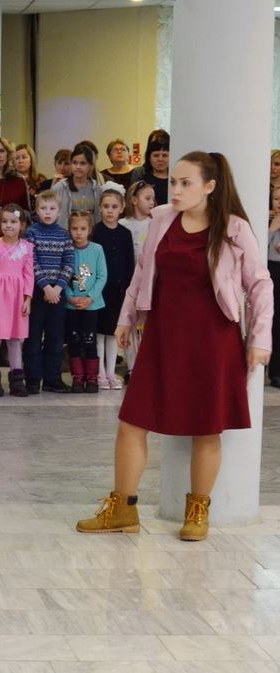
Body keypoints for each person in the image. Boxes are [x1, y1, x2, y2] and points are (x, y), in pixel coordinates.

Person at [77, 151, 273, 541]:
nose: (177, 190)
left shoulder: (233, 228)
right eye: (175, 182)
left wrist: (261, 339)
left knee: (206, 428)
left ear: (210, 187)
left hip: (214, 339)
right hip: (163, 336)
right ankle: (122, 509)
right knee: (132, 422)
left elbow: (260, 284)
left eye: (186, 183)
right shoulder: (164, 219)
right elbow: (144, 272)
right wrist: (125, 318)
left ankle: (198, 511)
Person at [24, 190, 75, 394]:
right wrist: (45, 286)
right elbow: (31, 262)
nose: (48, 212)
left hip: (58, 293)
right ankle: (33, 379)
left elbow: (69, 262)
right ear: (36, 210)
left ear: (59, 211)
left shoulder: (64, 234)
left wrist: (58, 287)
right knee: (33, 337)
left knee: (55, 337)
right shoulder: (31, 233)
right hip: (37, 292)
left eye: (52, 208)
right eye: (43, 208)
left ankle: (52, 378)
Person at [0, 203, 34, 397]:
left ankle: (17, 380)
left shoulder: (27, 248)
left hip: (17, 298)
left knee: (14, 340)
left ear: (22, 225)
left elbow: (29, 275)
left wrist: (28, 298)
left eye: (13, 222)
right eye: (4, 221)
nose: (8, 226)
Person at [92, 183, 134, 389]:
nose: (110, 210)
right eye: (106, 206)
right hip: (100, 291)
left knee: (112, 333)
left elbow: (129, 263)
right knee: (99, 332)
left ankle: (110, 373)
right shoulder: (95, 232)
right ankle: (99, 372)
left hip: (119, 291)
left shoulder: (125, 234)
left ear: (122, 208)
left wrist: (129, 289)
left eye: (114, 206)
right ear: (100, 207)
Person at [65, 211, 107, 393]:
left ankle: (92, 378)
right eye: (74, 228)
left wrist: (90, 298)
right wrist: (70, 297)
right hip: (71, 305)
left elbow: (102, 276)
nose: (78, 232)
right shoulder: (67, 249)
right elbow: (63, 276)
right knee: (73, 340)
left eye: (83, 228)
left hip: (92, 305)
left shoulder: (97, 249)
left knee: (90, 341)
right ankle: (78, 378)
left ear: (89, 229)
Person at [118, 180, 156, 377]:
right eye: (147, 198)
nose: (152, 203)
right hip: (130, 281)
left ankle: (147, 367)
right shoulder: (123, 224)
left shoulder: (155, 224)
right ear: (134, 200)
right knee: (130, 326)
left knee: (147, 327)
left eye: (153, 199)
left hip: (150, 282)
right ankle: (132, 368)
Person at [53, 143, 103, 229]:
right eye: (75, 163)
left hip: (90, 236)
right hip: (65, 236)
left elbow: (99, 217)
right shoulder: (59, 187)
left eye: (83, 163)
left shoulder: (97, 189)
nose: (78, 167)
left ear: (90, 166)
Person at [129, 129, 170, 205]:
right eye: (156, 155)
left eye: (165, 155)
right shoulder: (140, 173)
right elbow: (133, 201)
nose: (160, 159)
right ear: (149, 156)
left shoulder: (176, 174)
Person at [269, 186, 280, 388]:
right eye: (277, 198)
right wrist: (272, 228)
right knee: (274, 321)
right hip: (272, 270)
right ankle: (275, 371)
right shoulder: (268, 221)